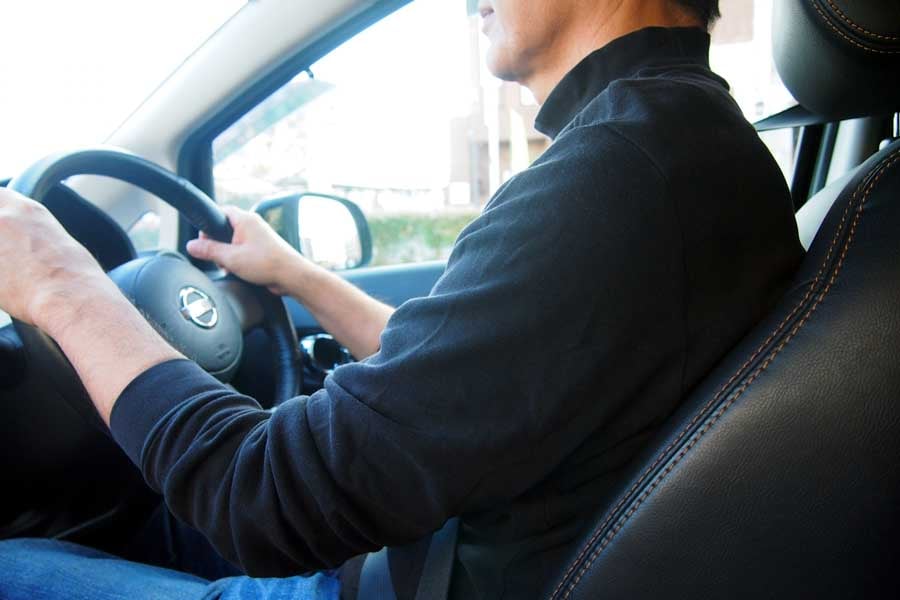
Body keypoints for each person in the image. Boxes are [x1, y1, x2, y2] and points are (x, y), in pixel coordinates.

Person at [0, 0, 805, 598]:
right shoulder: (685, 145)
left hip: (407, 578)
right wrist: (294, 275)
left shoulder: (620, 173)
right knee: (147, 525)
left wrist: (60, 285)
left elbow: (263, 497)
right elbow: (470, 382)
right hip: (436, 547)